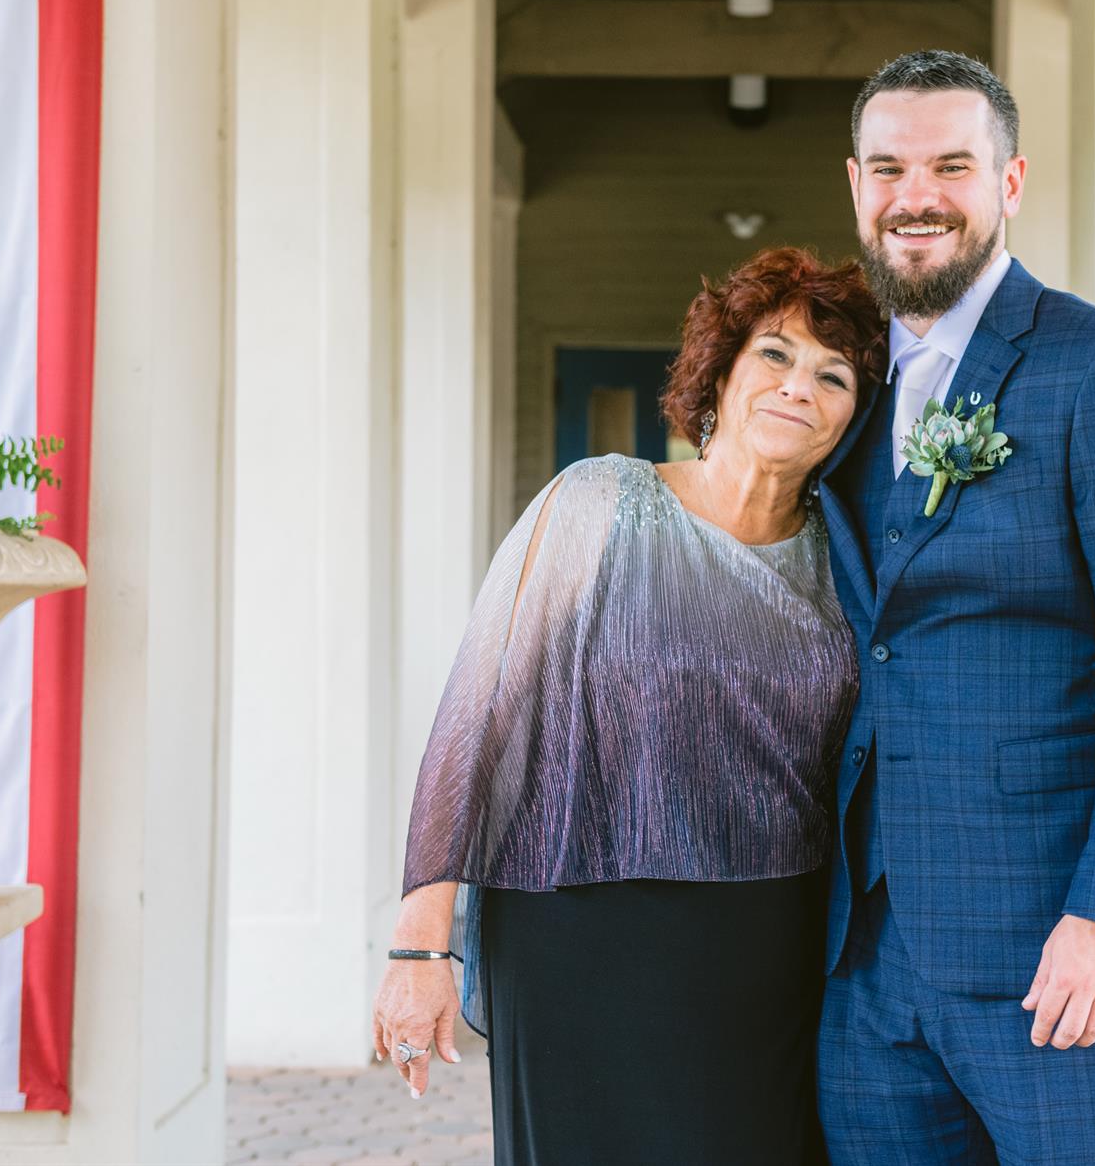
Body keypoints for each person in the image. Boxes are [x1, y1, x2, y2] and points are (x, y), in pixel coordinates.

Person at [813, 50, 1095, 1164]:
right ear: (856, 186)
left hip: (1060, 951)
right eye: (889, 168)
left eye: (951, 166)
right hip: (865, 961)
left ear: (1009, 182)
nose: (916, 195)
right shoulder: (841, 387)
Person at [372, 246, 886, 1165]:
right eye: (774, 354)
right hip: (578, 929)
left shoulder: (848, 564)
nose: (797, 386)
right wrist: (420, 947)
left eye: (833, 375)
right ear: (719, 375)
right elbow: (475, 720)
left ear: (854, 417)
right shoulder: (600, 500)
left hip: (769, 945)